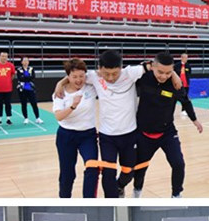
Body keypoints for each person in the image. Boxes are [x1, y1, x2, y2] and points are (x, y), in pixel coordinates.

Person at [54, 50, 146, 199]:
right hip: (102, 135)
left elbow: (155, 66)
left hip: (123, 134)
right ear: (99, 69)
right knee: (99, 172)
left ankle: (117, 187)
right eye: (106, 74)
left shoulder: (129, 73)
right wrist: (61, 84)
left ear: (121, 68)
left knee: (127, 171)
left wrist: (174, 74)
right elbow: (75, 75)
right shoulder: (92, 78)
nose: (110, 77)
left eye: (114, 73)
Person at [118, 52, 202, 199]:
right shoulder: (144, 78)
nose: (164, 76)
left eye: (168, 73)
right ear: (153, 67)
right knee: (140, 168)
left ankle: (176, 195)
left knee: (178, 164)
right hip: (144, 133)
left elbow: (186, 101)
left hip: (167, 132)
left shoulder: (175, 84)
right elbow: (130, 72)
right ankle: (136, 191)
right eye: (160, 72)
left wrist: (195, 120)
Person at [52, 58, 99, 199]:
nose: (79, 80)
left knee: (92, 168)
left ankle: (89, 201)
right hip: (66, 136)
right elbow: (59, 116)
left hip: (88, 135)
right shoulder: (61, 93)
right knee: (67, 173)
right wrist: (73, 106)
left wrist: (60, 82)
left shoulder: (91, 87)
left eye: (81, 76)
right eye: (74, 77)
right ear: (68, 76)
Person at [0, 51, 16, 125]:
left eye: (5, 56)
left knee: (8, 104)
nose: (4, 58)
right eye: (2, 56)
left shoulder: (11, 65)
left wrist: (7, 81)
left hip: (8, 89)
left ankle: (8, 119)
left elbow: (13, 75)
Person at [15, 56, 42, 124]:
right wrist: (27, 78)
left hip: (30, 88)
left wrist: (25, 77)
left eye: (27, 60)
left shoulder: (31, 69)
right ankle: (26, 118)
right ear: (21, 62)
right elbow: (20, 78)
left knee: (34, 103)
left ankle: (37, 118)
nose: (26, 62)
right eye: (24, 61)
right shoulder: (19, 69)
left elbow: (33, 77)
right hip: (22, 89)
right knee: (24, 104)